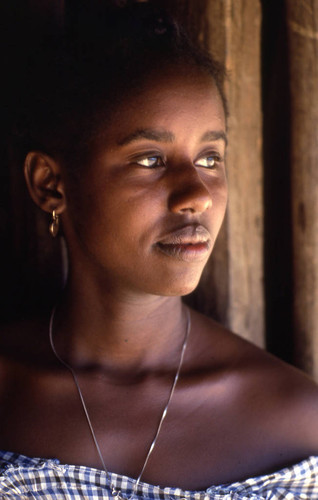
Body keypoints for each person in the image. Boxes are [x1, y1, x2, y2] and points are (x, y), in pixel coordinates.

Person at [1, 1, 318, 498]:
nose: (198, 194)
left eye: (210, 157)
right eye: (150, 159)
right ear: (51, 184)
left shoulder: (299, 427)